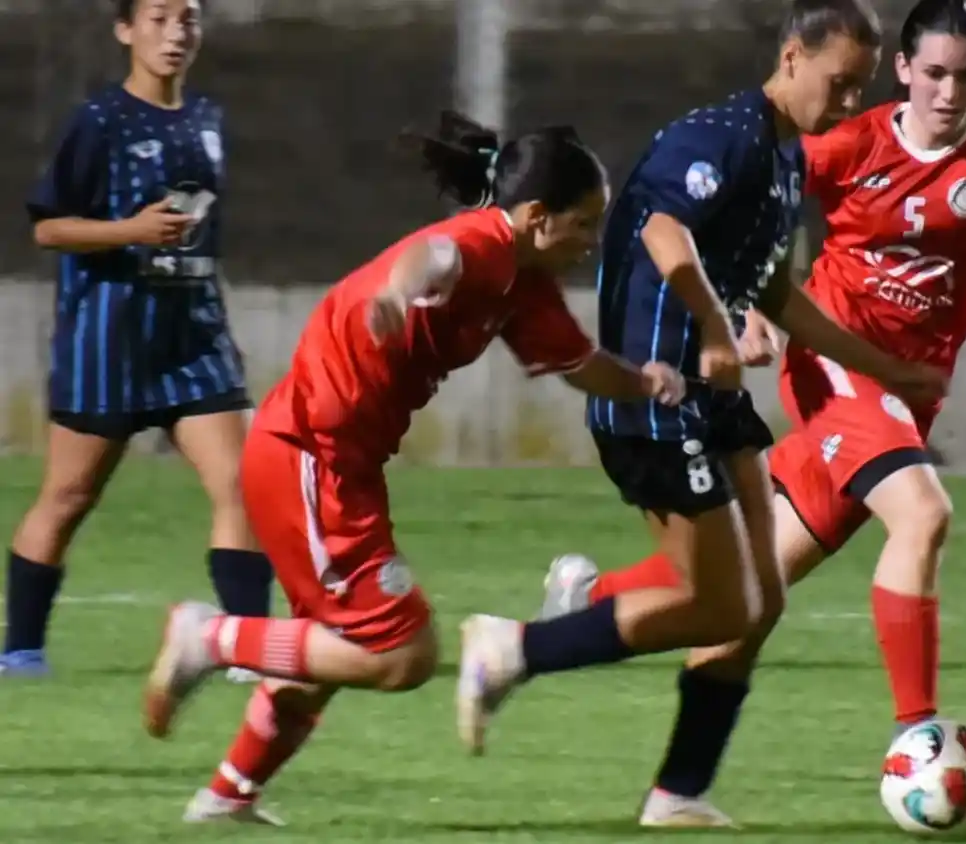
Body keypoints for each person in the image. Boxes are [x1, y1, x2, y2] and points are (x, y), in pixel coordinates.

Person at [542, 0, 966, 825]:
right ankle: (920, 738)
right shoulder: (848, 138)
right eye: (935, 73)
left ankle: (591, 614)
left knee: (749, 582)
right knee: (922, 516)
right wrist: (760, 306)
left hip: (906, 392)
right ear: (904, 71)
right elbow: (765, 208)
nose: (949, 92)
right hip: (836, 365)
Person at [452, 0, 949, 822]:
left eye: (861, 88)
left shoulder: (787, 159)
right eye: (840, 83)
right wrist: (715, 328)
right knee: (722, 603)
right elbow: (663, 234)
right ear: (793, 56)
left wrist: (885, 367)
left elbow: (776, 292)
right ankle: (514, 648)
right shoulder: (721, 135)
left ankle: (679, 792)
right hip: (656, 397)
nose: (850, 102)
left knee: (762, 602)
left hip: (713, 403)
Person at [138, 113, 686, 826]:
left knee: (333, 645)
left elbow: (580, 367)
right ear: (535, 217)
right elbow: (432, 257)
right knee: (402, 653)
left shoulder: (525, 286)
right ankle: (207, 638)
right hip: (310, 455)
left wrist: (646, 383)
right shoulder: (484, 244)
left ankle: (229, 795)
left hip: (344, 466)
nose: (590, 241)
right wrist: (398, 295)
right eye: (583, 224)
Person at [3, 0, 273, 679]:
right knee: (67, 499)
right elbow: (48, 228)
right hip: (109, 344)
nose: (176, 33)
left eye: (188, 18)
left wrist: (221, 322)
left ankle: (247, 646)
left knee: (247, 485)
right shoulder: (100, 122)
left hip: (193, 341)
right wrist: (128, 231)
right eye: (158, 18)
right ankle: (22, 649)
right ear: (126, 30)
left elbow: (201, 238)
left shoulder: (208, 120)